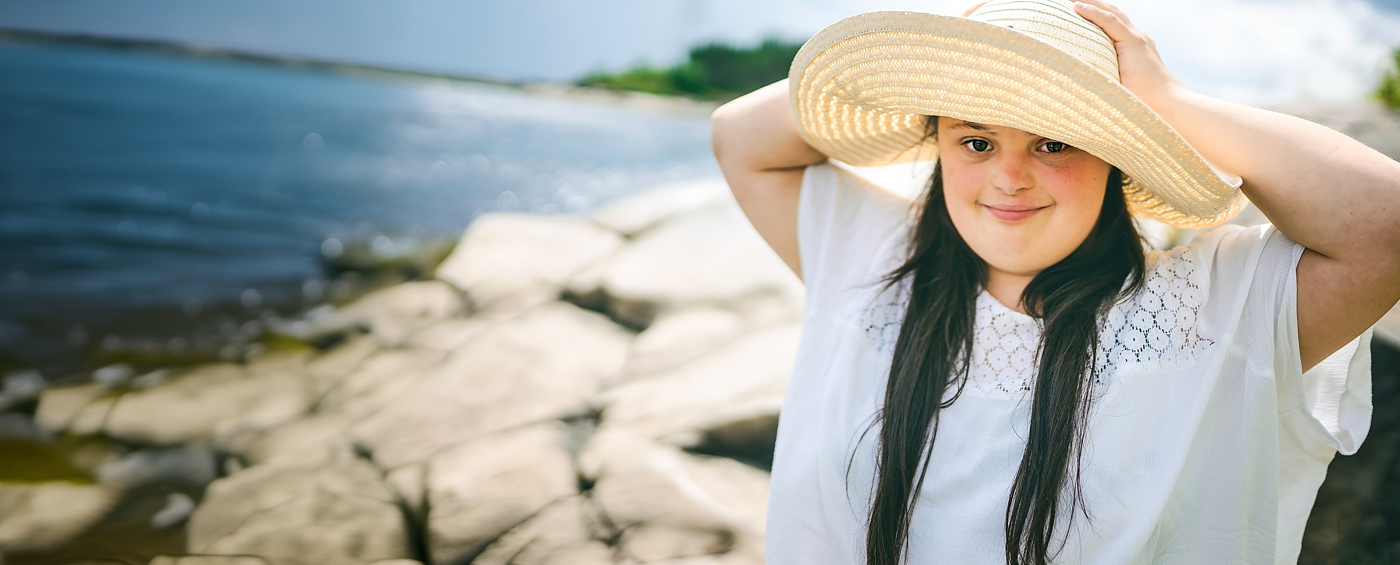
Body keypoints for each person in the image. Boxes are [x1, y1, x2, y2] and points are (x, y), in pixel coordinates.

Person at [709, 0, 1400, 564]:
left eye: (1053, 141)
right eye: (975, 141)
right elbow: (738, 135)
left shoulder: (1209, 307)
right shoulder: (876, 263)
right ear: (940, 148)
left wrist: (1165, 101)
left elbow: (1384, 222)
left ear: (1115, 159)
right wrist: (945, 49)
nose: (1009, 177)